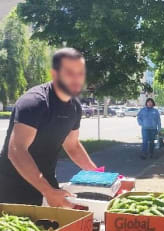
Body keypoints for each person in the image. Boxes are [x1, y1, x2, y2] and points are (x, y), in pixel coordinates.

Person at [0, 48, 97, 208]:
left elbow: (72, 146)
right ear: (55, 74)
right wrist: (48, 191)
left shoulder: (75, 107)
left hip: (46, 180)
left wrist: (100, 177)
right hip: (12, 185)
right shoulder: (35, 102)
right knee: (20, 230)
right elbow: (16, 150)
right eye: (69, 72)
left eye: (80, 73)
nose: (76, 78)